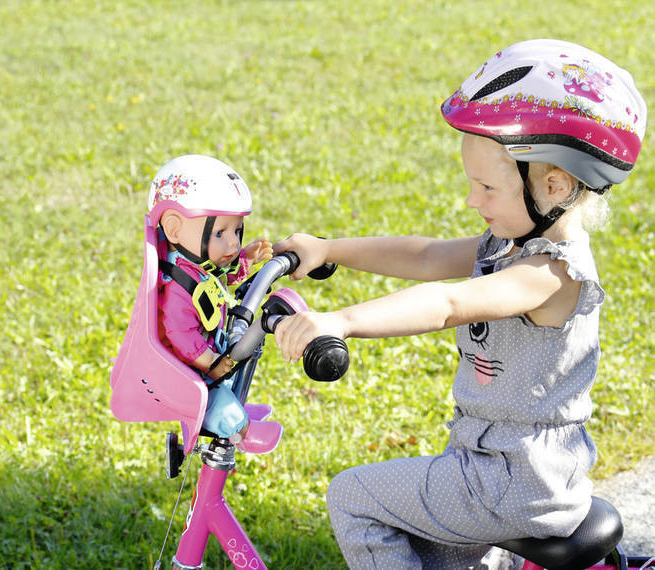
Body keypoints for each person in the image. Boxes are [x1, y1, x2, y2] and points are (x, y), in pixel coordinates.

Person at [273, 39, 646, 568]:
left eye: (487, 187)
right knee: (433, 554)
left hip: (517, 482)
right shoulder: (512, 245)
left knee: (354, 498)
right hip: (495, 468)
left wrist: (341, 321)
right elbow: (426, 258)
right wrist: (329, 250)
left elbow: (449, 300)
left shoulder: (549, 274)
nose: (474, 201)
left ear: (553, 185)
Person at [149, 154, 283, 454]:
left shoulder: (190, 263)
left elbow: (217, 278)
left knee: (239, 361)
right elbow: (179, 333)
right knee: (219, 403)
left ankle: (232, 405)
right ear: (174, 229)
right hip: (187, 373)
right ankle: (238, 427)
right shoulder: (177, 286)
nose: (233, 243)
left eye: (236, 231)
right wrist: (211, 362)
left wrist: (245, 259)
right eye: (220, 233)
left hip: (206, 354)